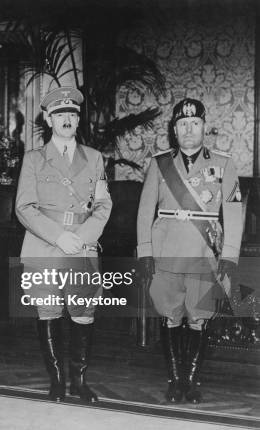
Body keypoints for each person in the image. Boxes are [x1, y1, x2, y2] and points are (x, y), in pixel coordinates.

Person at [137, 98, 243, 404]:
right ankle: (174, 381)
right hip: (166, 250)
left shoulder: (223, 164)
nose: (188, 129)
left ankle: (191, 381)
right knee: (170, 316)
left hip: (204, 250)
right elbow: (145, 212)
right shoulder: (159, 164)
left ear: (204, 127)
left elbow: (233, 213)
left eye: (194, 123)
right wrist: (145, 252)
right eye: (182, 124)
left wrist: (231, 256)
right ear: (174, 128)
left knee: (199, 316)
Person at [15, 87, 112, 403]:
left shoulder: (95, 158)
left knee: (84, 313)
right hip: (45, 245)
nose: (67, 119)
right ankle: (56, 381)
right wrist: (59, 236)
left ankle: (79, 382)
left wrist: (83, 237)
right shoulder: (33, 159)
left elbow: (103, 204)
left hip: (82, 246)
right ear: (48, 118)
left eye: (72, 113)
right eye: (60, 114)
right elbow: (24, 207)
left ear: (78, 117)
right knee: (48, 312)